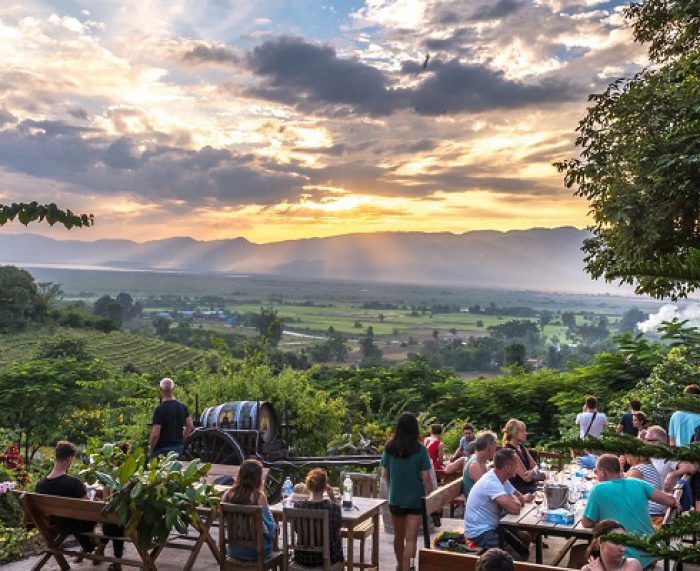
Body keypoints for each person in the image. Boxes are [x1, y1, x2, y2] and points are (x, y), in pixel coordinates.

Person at [581, 454, 679, 569]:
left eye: (595, 471)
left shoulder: (598, 489)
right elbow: (671, 501)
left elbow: (586, 523)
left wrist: (602, 518)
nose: (595, 474)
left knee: (582, 556)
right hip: (649, 555)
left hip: (624, 559)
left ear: (603, 472)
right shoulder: (638, 483)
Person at [381, 412, 433, 571]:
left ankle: (399, 565)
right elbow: (425, 477)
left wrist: (393, 486)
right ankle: (407, 568)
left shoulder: (389, 448)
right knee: (411, 539)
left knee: (398, 536)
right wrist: (431, 494)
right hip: (415, 500)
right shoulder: (421, 450)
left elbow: (384, 474)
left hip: (395, 498)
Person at [465, 448, 532, 560]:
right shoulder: (492, 482)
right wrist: (515, 499)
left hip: (494, 526)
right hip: (480, 532)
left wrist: (513, 498)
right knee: (515, 558)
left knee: (524, 542)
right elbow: (515, 508)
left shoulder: (502, 478)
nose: (518, 467)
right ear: (507, 467)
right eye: (516, 464)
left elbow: (519, 497)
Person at [36, 441, 96, 556]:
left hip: (57, 526)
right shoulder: (74, 483)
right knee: (93, 506)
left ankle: (89, 547)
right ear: (69, 459)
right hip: (79, 525)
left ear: (56, 457)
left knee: (73, 517)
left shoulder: (40, 485)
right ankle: (92, 545)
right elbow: (89, 509)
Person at [222, 459, 276, 562]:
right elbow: (270, 530)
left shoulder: (228, 494)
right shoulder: (259, 497)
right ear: (258, 478)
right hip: (257, 552)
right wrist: (275, 528)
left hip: (234, 550)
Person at [292, 468, 343, 567]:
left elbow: (297, 531)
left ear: (308, 486)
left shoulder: (298, 507)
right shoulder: (333, 508)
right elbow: (337, 531)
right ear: (325, 486)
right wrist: (332, 497)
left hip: (302, 558)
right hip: (326, 559)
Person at [149, 377, 194, 458]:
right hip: (178, 449)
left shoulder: (159, 409)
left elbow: (155, 434)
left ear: (160, 389)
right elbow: (190, 426)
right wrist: (181, 441)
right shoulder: (182, 407)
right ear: (173, 388)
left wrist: (151, 448)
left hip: (161, 450)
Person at [444, 431, 497, 498]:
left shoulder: (482, 461)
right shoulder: (475, 464)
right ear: (490, 447)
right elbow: (488, 490)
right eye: (495, 447)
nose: (496, 450)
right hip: (478, 506)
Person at [643, 426, 696, 491]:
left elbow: (690, 467)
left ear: (661, 442)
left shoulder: (668, 457)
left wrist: (672, 474)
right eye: (645, 439)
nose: (645, 443)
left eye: (649, 440)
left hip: (661, 498)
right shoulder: (645, 457)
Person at [624, 453, 667, 524]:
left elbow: (626, 492)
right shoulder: (648, 467)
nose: (625, 457)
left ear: (632, 456)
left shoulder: (637, 470)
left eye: (626, 455)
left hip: (650, 512)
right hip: (658, 509)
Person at [502, 419, 538, 495]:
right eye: (522, 431)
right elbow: (526, 478)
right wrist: (534, 471)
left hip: (529, 487)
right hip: (518, 491)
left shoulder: (521, 447)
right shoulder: (510, 451)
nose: (526, 433)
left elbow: (535, 466)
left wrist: (533, 472)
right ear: (514, 433)